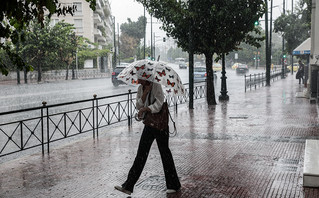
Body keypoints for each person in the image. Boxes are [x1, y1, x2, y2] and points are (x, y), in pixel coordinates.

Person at [114, 79, 181, 195]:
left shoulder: (156, 86)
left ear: (145, 77)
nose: (137, 79)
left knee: (165, 154)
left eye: (139, 77)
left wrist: (147, 108)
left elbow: (159, 103)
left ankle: (173, 185)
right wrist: (145, 94)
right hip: (149, 124)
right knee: (141, 154)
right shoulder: (141, 88)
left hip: (160, 125)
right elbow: (138, 105)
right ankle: (128, 186)